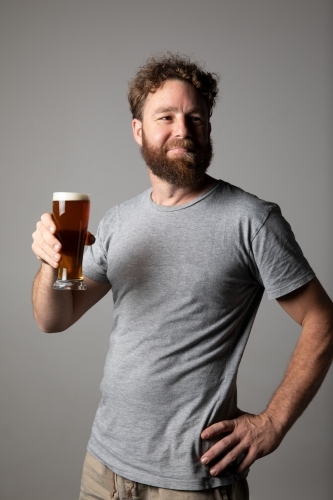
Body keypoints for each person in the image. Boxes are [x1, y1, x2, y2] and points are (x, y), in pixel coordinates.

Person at [32, 53, 333, 500]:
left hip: (192, 480)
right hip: (103, 468)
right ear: (138, 130)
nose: (183, 130)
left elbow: (322, 320)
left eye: (196, 117)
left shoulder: (251, 220)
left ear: (208, 127)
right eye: (166, 117)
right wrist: (49, 263)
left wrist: (272, 423)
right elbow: (54, 317)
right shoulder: (117, 222)